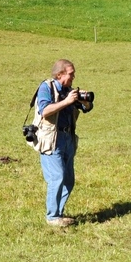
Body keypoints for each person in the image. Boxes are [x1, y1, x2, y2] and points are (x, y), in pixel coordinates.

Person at [32, 59, 93, 227]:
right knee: (57, 177)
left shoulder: (69, 91)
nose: (74, 76)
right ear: (60, 74)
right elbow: (45, 111)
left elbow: (87, 108)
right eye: (71, 73)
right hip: (51, 139)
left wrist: (84, 101)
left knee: (68, 180)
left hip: (68, 138)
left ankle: (58, 213)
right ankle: (52, 217)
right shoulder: (46, 88)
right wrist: (67, 101)